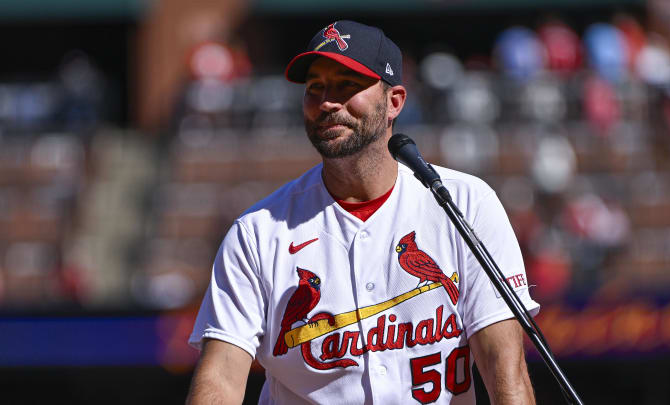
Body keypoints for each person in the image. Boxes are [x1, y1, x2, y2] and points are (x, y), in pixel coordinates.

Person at [186, 20, 540, 405]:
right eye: (315, 88)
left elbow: (505, 371)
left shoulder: (466, 204)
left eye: (346, 85)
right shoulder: (257, 233)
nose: (327, 102)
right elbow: (220, 377)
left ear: (395, 102)